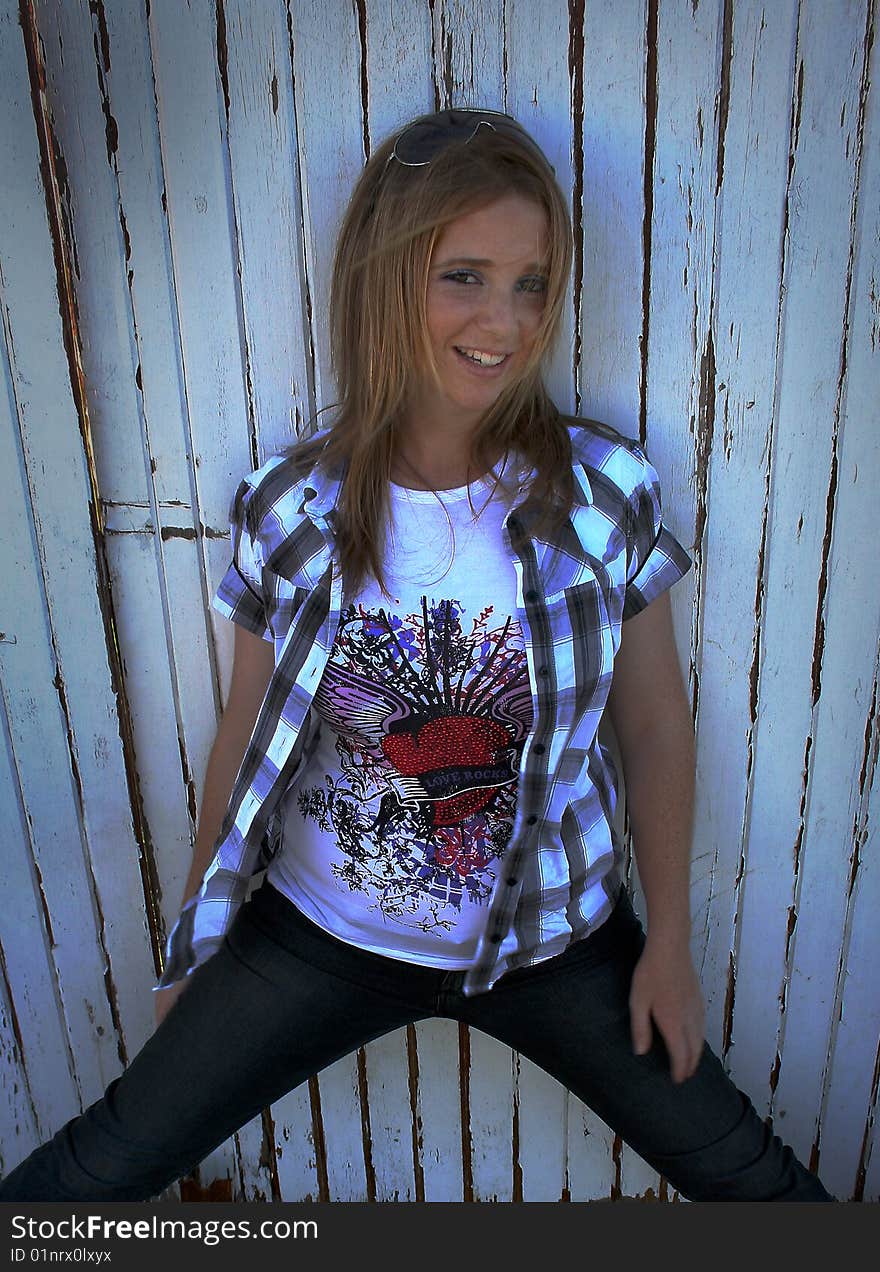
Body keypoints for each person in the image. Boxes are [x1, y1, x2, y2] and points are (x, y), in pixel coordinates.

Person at [0, 108, 833, 1203]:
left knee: (755, 1184)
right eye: (466, 276)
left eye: (532, 282)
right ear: (384, 280)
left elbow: (652, 725)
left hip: (560, 941)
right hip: (321, 933)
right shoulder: (291, 509)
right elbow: (243, 739)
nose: (506, 318)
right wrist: (204, 930)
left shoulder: (602, 496)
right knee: (95, 1172)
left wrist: (666, 944)